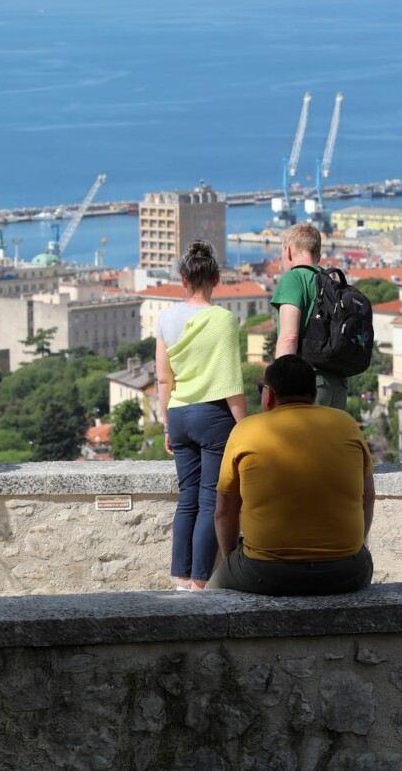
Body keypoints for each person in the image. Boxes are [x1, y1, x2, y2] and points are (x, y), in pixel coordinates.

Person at [207, 354, 375, 595]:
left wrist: (230, 561)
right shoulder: (346, 424)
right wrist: (355, 547)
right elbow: (367, 497)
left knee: (212, 594)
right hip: (347, 572)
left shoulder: (245, 430)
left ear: (270, 394)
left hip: (264, 572)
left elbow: (224, 511)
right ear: (313, 393)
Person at [155, 240, 247, 591]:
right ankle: (199, 584)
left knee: (187, 499)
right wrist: (247, 425)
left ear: (182, 279)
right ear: (217, 279)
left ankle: (180, 579)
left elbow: (164, 377)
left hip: (178, 415)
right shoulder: (223, 319)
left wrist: (167, 424)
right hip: (213, 416)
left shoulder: (166, 318)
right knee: (211, 500)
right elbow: (230, 382)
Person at [272, 222, 347, 409]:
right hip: (338, 385)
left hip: (307, 386)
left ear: (288, 251)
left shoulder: (294, 277)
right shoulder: (331, 282)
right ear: (318, 256)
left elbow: (289, 337)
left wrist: (275, 386)